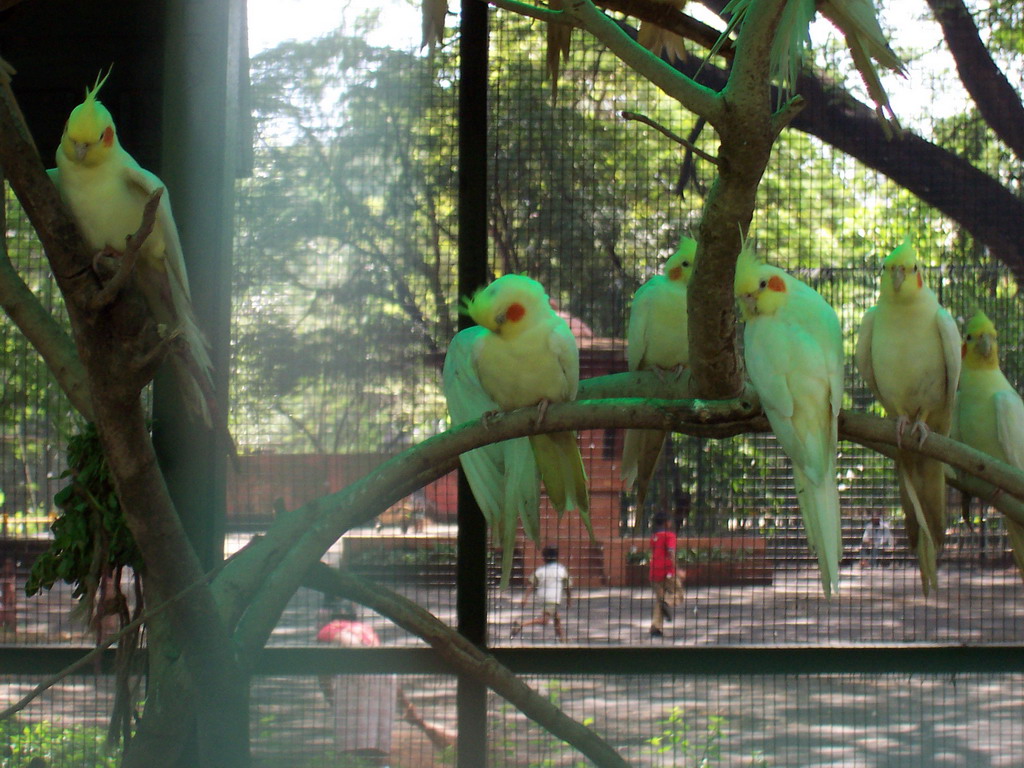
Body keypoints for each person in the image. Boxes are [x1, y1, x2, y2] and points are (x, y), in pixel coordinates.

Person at [316, 599, 397, 767]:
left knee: (350, 740)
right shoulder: (366, 629)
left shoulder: (328, 630)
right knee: (373, 739)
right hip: (385, 677)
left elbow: (323, 672)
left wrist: (331, 698)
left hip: (356, 679)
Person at [511, 546, 572, 641]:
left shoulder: (540, 570)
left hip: (542, 597)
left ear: (543, 558)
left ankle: (562, 638)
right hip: (553, 598)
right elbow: (568, 587)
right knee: (545, 620)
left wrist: (525, 598)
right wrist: (569, 600)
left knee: (556, 617)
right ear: (557, 557)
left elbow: (531, 585)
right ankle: (521, 624)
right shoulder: (561, 570)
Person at [649, 512, 681, 637]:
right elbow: (671, 552)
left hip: (654, 571)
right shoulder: (669, 535)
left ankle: (656, 627)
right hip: (667, 570)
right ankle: (667, 603)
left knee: (659, 599)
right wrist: (677, 569)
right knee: (679, 594)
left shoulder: (654, 536)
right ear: (666, 522)